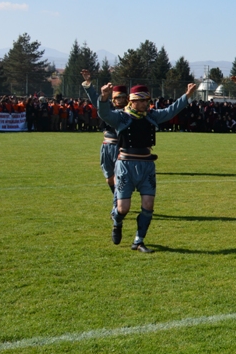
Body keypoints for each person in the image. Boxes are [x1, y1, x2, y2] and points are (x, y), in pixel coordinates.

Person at [97, 81, 195, 253]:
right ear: (132, 101)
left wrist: (187, 96)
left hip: (147, 166)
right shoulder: (121, 117)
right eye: (141, 101)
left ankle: (139, 241)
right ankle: (117, 221)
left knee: (148, 205)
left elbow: (171, 111)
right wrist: (104, 97)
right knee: (123, 208)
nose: (145, 104)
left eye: (146, 100)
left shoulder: (151, 116)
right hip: (126, 166)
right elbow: (104, 114)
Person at [81, 70, 128, 201]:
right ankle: (118, 199)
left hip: (121, 146)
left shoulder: (130, 111)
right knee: (109, 179)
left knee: (119, 177)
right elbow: (96, 99)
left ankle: (119, 202)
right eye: (118, 97)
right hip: (106, 146)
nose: (120, 100)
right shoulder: (107, 109)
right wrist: (88, 83)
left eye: (122, 97)